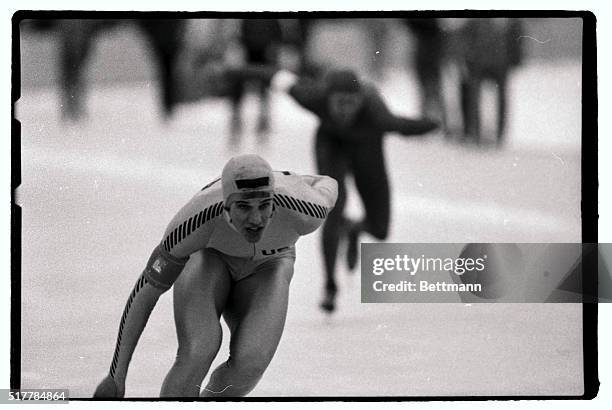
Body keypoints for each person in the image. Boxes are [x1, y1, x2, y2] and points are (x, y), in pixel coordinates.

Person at [93, 154, 338, 397]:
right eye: (243, 207)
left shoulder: (307, 209)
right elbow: (146, 292)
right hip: (210, 258)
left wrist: (291, 180)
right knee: (199, 348)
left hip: (270, 265)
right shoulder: (195, 219)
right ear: (225, 208)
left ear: (274, 205)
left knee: (250, 364)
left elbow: (328, 183)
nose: (255, 220)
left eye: (264, 206)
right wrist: (116, 377)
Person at [269, 68, 439, 312]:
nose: (345, 110)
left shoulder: (375, 113)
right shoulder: (311, 95)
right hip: (331, 144)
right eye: (339, 103)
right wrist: (232, 71)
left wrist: (433, 124)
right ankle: (329, 284)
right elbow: (271, 74)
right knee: (332, 208)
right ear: (327, 99)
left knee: (381, 230)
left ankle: (354, 229)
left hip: (367, 146)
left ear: (361, 100)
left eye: (351, 103)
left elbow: (401, 125)